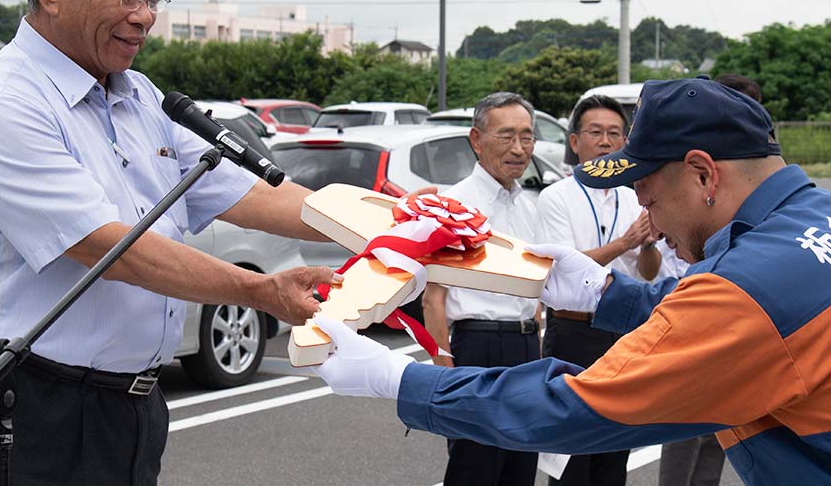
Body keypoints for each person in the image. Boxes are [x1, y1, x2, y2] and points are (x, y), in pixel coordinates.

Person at [0, 0, 340, 486]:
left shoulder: (144, 96)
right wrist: (260, 291)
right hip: (22, 400)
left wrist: (396, 225)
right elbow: (114, 251)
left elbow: (254, 196)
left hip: (129, 405)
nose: (145, 17)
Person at [313, 77, 831, 485]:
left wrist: (401, 380)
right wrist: (605, 294)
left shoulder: (744, 288)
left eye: (646, 194)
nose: (648, 214)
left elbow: (579, 408)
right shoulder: (811, 219)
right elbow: (737, 315)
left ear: (703, 174)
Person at [535, 94, 660, 486]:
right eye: (595, 132)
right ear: (574, 142)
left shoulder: (633, 195)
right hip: (572, 330)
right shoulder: (556, 195)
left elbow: (648, 273)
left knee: (614, 448)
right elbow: (561, 267)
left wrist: (648, 244)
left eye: (615, 133)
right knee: (571, 451)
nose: (606, 142)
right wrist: (624, 243)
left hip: (623, 332)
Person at [422, 92, 542, 486]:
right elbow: (434, 298)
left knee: (520, 468)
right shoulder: (454, 204)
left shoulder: (528, 206)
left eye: (527, 137)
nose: (518, 148)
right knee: (475, 469)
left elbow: (535, 292)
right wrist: (446, 376)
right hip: (477, 345)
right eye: (506, 136)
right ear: (476, 139)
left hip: (526, 350)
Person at [655, 73, 762, 486]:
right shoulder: (685, 174)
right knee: (682, 434)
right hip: (690, 313)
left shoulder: (757, 176)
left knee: (719, 438)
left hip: (735, 326)